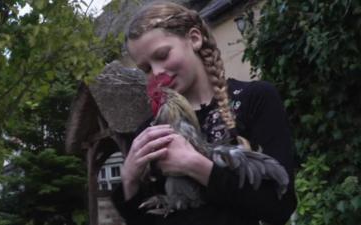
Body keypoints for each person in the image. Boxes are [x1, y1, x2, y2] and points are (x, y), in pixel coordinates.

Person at [111, 2, 297, 225]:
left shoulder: (254, 99)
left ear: (194, 38)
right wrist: (129, 180)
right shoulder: (151, 132)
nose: (157, 71)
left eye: (162, 55)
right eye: (147, 69)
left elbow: (280, 207)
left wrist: (195, 165)